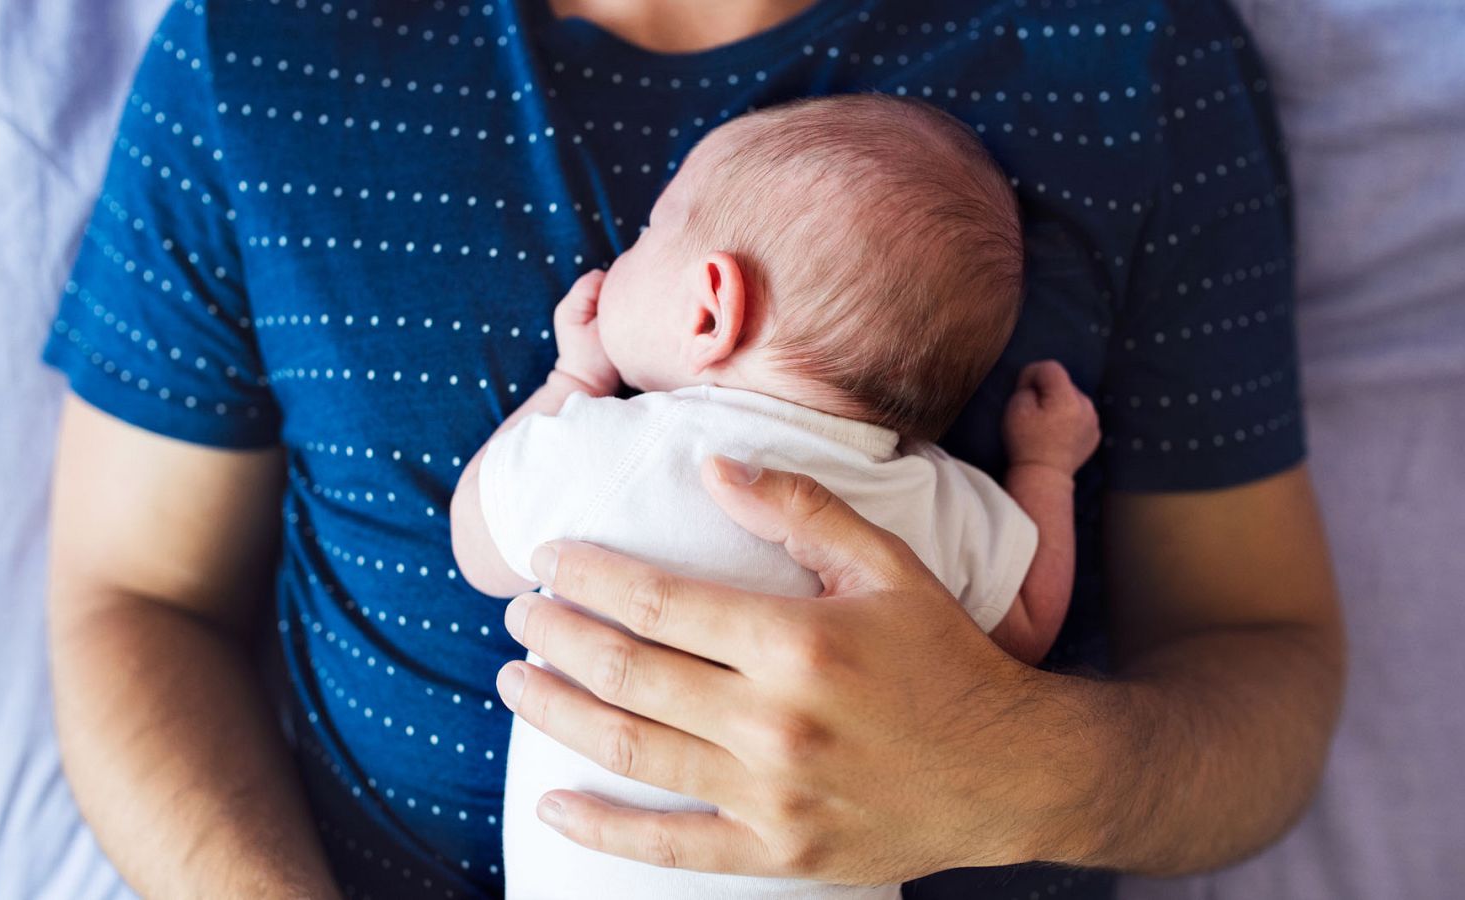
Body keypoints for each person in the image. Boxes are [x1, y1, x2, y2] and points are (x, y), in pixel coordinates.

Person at [41, 1, 1343, 898]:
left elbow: (1264, 660)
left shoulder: (1128, 48)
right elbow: (131, 599)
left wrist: (1008, 772)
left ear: (710, 302)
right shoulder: (260, 45)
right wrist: (1042, 470)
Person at [450, 94, 1100, 898]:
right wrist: (1045, 468)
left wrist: (571, 380)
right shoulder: (932, 500)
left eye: (649, 235)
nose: (624, 253)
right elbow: (1029, 624)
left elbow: (477, 546)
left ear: (711, 309)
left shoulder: (617, 447)